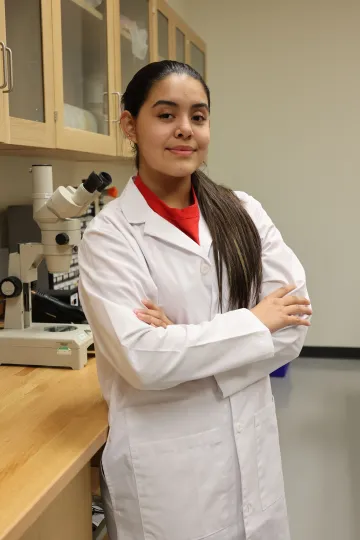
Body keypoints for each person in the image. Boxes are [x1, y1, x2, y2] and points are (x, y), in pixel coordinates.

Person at [78, 60, 311, 540]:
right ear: (130, 125)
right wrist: (253, 323)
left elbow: (292, 327)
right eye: (166, 115)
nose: (185, 130)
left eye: (198, 117)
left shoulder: (243, 211)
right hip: (169, 474)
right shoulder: (110, 237)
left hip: (253, 452)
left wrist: (180, 340)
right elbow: (143, 361)